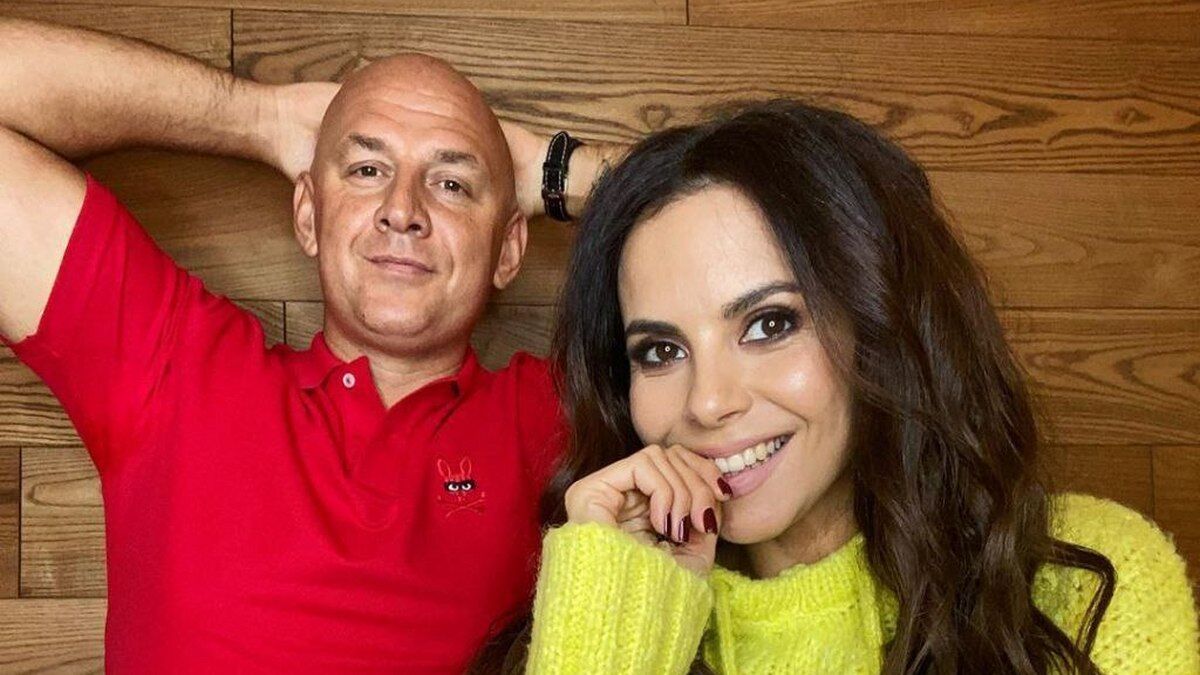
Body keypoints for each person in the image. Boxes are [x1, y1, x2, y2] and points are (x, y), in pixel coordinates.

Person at [484, 101, 1200, 673]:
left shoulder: (1085, 579)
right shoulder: (601, 603)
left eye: (770, 324)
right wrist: (618, 622)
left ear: (882, 323)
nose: (707, 402)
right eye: (661, 350)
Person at [0, 17, 621, 673]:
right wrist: (258, 118)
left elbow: (702, 239)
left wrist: (559, 171)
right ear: (307, 214)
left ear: (508, 249)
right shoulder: (173, 366)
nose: (403, 209)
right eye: (367, 169)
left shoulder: (555, 415)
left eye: (451, 183)